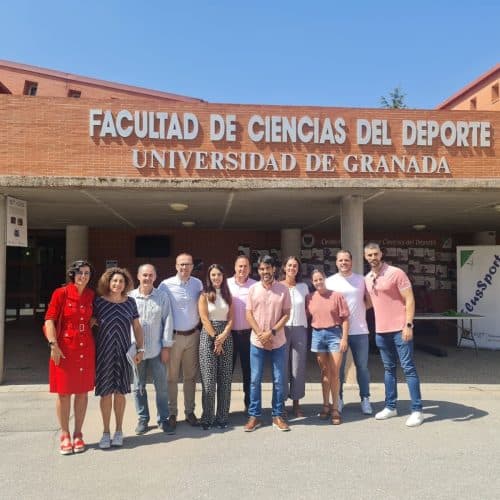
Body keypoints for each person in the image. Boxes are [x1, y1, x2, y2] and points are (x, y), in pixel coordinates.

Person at [364, 242, 424, 427]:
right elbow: (368, 303)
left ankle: (417, 410)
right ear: (365, 257)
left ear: (381, 254)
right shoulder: (368, 278)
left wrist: (408, 325)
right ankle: (391, 407)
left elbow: (410, 299)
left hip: (400, 329)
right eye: (369, 255)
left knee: (408, 368)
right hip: (381, 331)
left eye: (375, 254)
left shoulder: (396, 273)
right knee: (389, 369)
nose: (373, 257)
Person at [44, 260, 95, 455]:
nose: (83, 276)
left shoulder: (91, 295)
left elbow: (93, 315)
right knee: (64, 393)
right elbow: (49, 319)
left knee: (82, 392)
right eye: (80, 272)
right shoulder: (61, 293)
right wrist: (53, 344)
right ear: (73, 274)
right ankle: (65, 434)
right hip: (64, 348)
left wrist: (94, 320)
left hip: (85, 346)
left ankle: (78, 433)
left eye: (87, 273)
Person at [94, 267, 144, 449]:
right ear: (108, 282)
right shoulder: (99, 302)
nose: (117, 284)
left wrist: (140, 349)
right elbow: (89, 322)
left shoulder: (130, 302)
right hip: (104, 353)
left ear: (126, 284)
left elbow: (137, 327)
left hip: (123, 353)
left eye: (121, 281)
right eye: (114, 280)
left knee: (120, 393)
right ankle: (106, 432)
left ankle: (119, 431)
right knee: (106, 393)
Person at [244, 255, 291, 432]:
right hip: (257, 342)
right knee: (255, 380)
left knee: (279, 380)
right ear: (259, 271)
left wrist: (271, 333)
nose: (265, 272)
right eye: (262, 269)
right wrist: (261, 335)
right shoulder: (253, 289)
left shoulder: (283, 290)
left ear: (274, 269)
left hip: (278, 341)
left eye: (268, 268)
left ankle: (277, 416)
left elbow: (286, 314)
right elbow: (248, 314)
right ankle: (254, 416)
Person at [159, 252, 203, 430]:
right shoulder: (165, 285)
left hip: (193, 336)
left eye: (188, 264)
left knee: (190, 377)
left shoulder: (198, 284)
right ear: (176, 266)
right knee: (171, 377)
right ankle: (172, 413)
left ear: (192, 266)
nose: (184, 267)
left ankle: (189, 411)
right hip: (173, 337)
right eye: (181, 264)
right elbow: (159, 310)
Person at [129, 264, 174, 435]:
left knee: (161, 387)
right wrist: (132, 347)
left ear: (155, 277)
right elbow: (127, 325)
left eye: (150, 275)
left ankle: (163, 419)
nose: (147, 278)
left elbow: (168, 321)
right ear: (138, 276)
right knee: (138, 386)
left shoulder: (162, 296)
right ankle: (143, 418)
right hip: (137, 351)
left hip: (156, 350)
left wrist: (166, 346)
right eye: (144, 275)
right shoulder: (130, 297)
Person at [325, 250, 372, 415]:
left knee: (362, 367)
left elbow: (369, 302)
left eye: (346, 260)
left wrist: (358, 311)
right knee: (337, 368)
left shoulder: (361, 280)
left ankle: (365, 399)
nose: (343, 263)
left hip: (360, 330)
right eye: (340, 260)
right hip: (337, 332)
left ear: (351, 262)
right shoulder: (329, 282)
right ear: (336, 262)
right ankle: (338, 398)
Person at [306, 269, 349, 425]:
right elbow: (304, 315)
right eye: (315, 280)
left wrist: (344, 338)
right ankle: (325, 405)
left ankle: (335, 408)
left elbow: (345, 318)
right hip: (317, 335)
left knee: (335, 373)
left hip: (334, 334)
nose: (318, 282)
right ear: (312, 282)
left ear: (325, 279)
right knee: (324, 372)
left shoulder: (337, 296)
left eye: (320, 279)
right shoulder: (310, 298)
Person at [198, 264, 234, 430]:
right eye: (213, 275)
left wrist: (223, 336)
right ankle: (207, 417)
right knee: (209, 380)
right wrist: (215, 339)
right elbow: (204, 318)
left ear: (223, 276)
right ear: (209, 277)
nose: (216, 277)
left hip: (226, 336)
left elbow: (231, 318)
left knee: (225, 379)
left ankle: (222, 417)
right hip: (208, 336)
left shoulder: (228, 295)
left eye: (219, 274)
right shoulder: (204, 295)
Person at [280, 256, 309, 418]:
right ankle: (282, 402)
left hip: (299, 328)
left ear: (298, 269)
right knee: (282, 366)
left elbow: (309, 308)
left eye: (295, 266)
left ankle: (296, 403)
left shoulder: (303, 287)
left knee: (298, 367)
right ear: (284, 268)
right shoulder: (278, 286)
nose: (292, 268)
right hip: (282, 329)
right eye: (289, 265)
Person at [227, 255, 256, 413]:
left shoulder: (255, 285)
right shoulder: (226, 284)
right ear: (235, 267)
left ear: (249, 269)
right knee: (226, 372)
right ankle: (224, 407)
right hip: (229, 335)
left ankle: (249, 405)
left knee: (249, 372)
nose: (242, 269)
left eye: (245, 266)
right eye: (240, 266)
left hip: (248, 334)